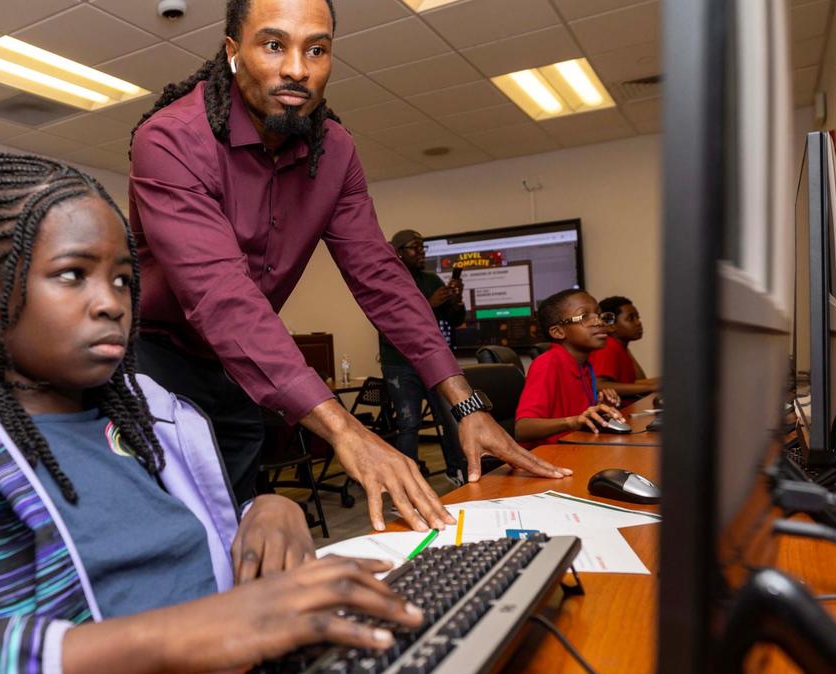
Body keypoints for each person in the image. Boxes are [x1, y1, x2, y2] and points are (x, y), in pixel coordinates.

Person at [0, 154, 422, 674]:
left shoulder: (148, 415)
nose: (112, 300)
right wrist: (162, 639)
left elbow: (182, 553)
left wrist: (266, 510)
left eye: (122, 277)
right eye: (72, 274)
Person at [128, 0, 570, 533]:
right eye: (274, 45)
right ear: (232, 53)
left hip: (236, 368)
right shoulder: (170, 138)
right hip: (152, 360)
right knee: (167, 538)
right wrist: (346, 430)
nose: (297, 68)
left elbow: (380, 277)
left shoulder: (334, 150)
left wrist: (463, 400)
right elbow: (221, 297)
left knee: (232, 532)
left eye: (316, 49)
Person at [379, 230, 468, 483]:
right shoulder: (389, 282)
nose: (421, 253)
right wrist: (430, 304)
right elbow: (394, 323)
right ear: (397, 252)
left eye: (423, 248)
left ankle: (457, 471)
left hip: (433, 362)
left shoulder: (431, 279)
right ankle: (408, 482)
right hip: (399, 364)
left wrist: (456, 300)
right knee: (409, 423)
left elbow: (455, 320)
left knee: (450, 418)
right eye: (414, 248)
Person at [515, 290, 626, 449]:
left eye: (599, 314)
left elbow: (581, 415)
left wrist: (601, 409)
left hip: (576, 450)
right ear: (558, 332)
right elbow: (522, 428)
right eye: (585, 317)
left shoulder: (584, 366)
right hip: (549, 459)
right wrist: (572, 421)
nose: (599, 322)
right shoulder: (548, 363)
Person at [589, 295, 660, 397]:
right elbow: (598, 385)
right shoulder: (607, 346)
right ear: (610, 326)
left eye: (638, 317)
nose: (638, 323)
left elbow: (637, 382)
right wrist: (651, 387)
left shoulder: (620, 347)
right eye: (631, 318)